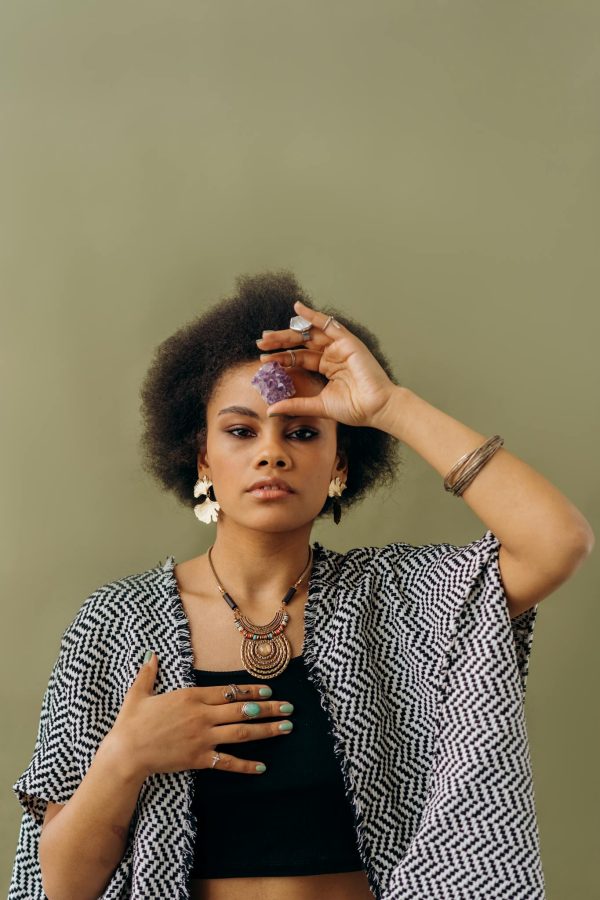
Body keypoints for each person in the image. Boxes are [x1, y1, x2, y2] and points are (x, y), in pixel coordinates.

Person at [9, 270, 594, 900]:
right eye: (240, 431)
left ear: (340, 463)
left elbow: (556, 541)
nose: (271, 452)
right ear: (203, 457)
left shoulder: (399, 604)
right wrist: (127, 756)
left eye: (303, 431)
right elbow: (63, 887)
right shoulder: (116, 625)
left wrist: (389, 406)